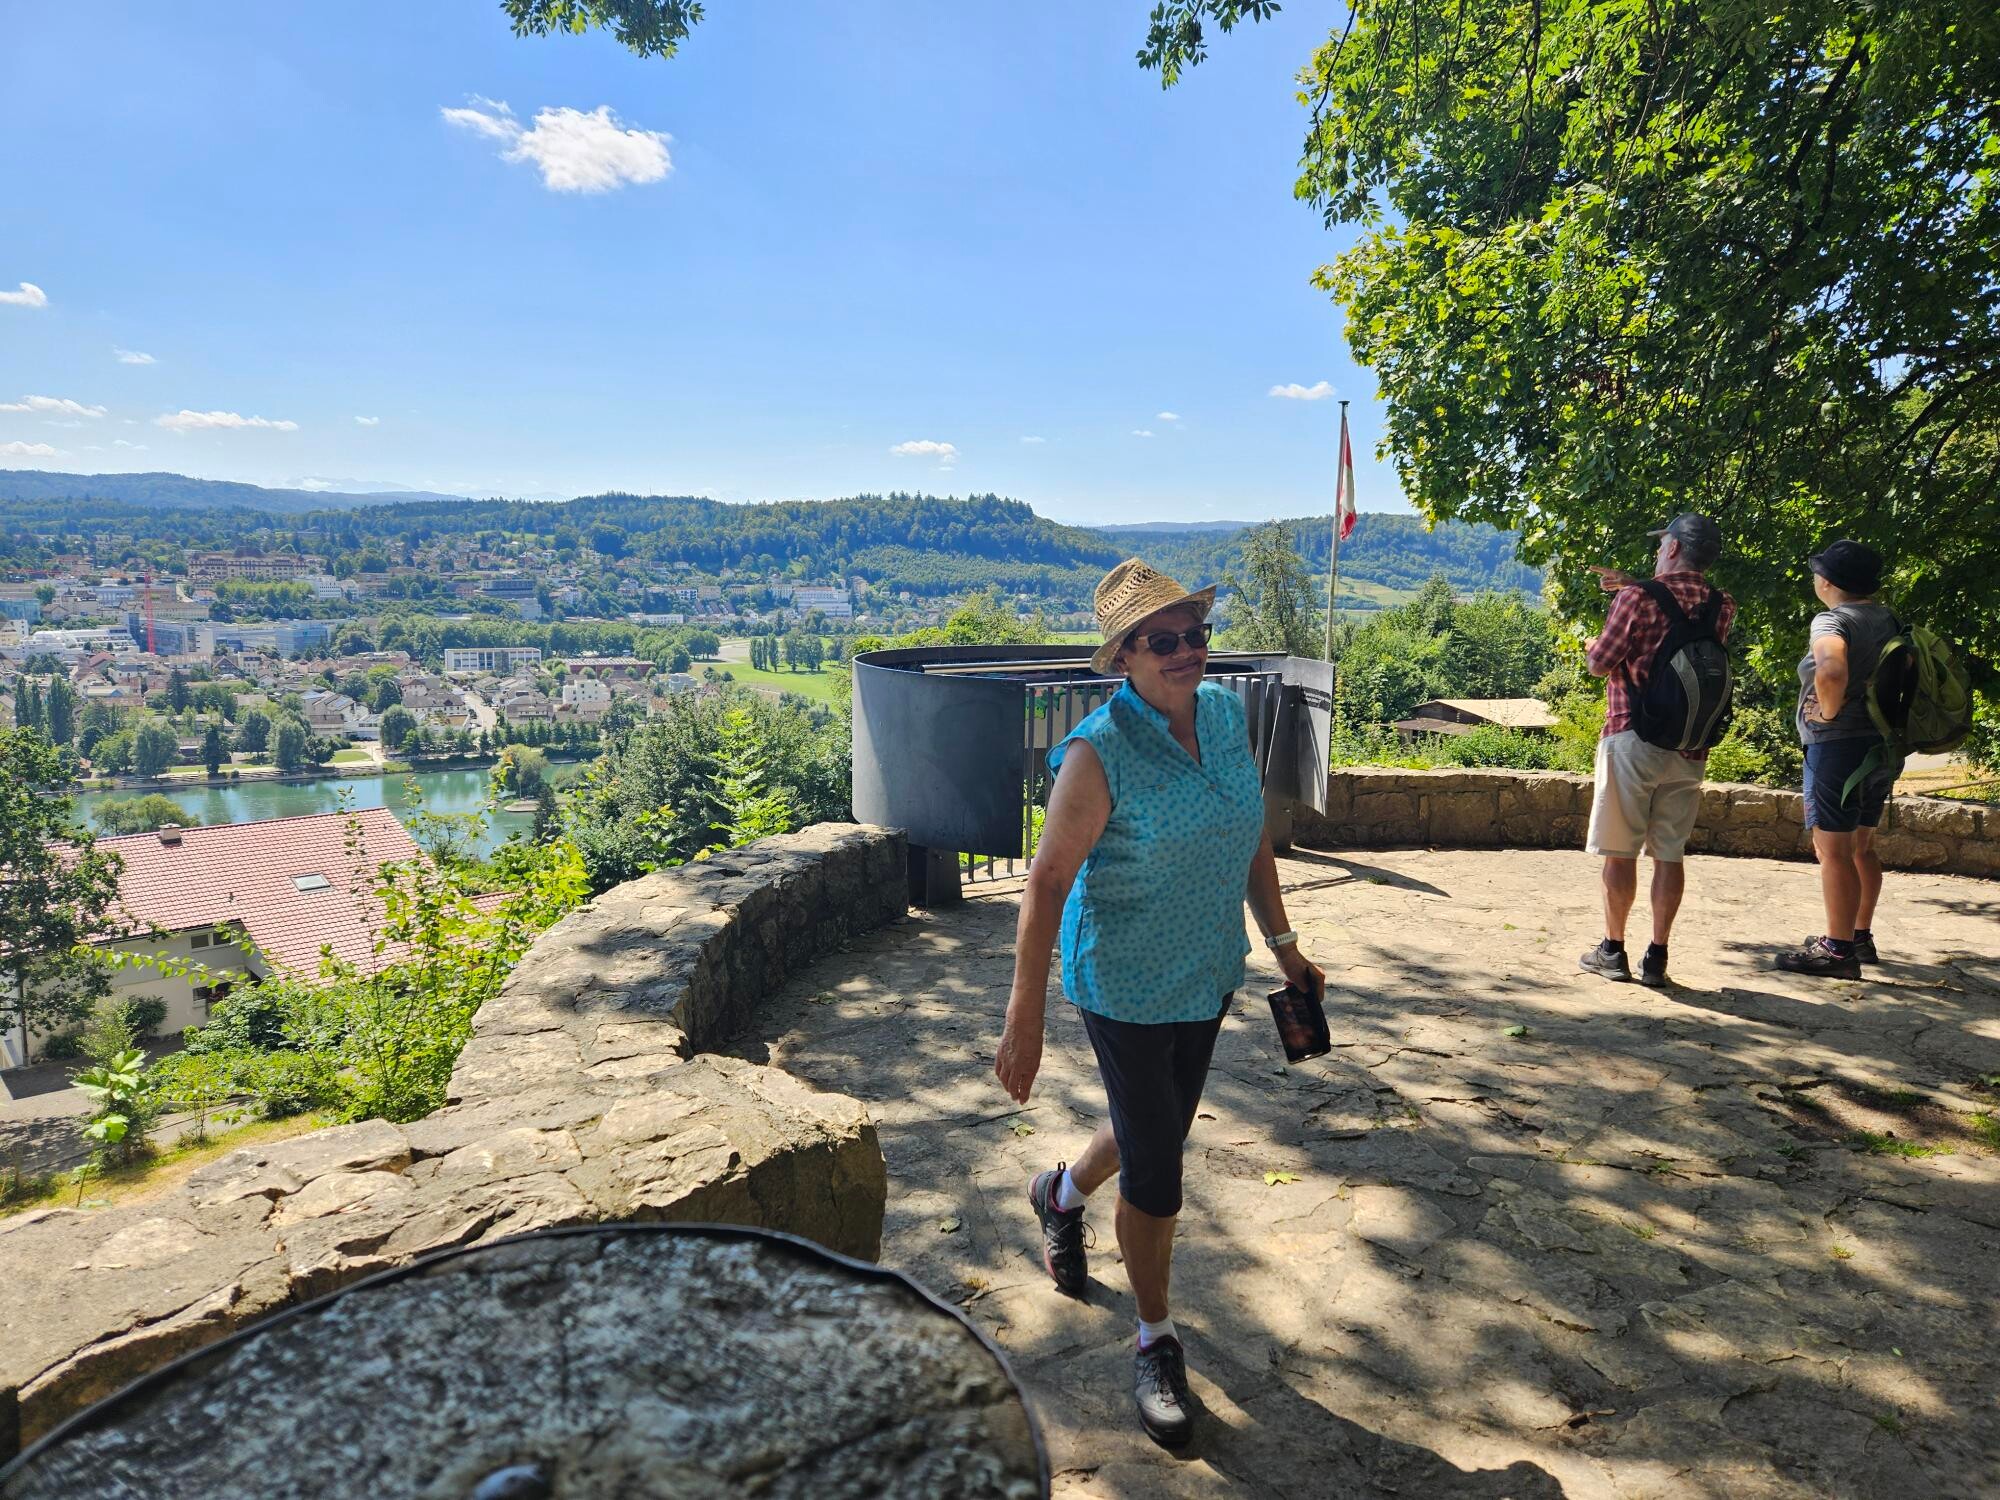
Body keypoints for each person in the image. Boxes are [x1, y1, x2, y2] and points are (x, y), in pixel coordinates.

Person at [994, 557, 1323, 1450]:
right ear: (1126, 656)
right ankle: (1155, 1336)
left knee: (1158, 1131)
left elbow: (1251, 833)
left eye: (1196, 634)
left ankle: (1057, 1193)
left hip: (1207, 970)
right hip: (1127, 983)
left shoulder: (1222, 715)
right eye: (1164, 640)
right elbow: (1047, 882)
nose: (1188, 652)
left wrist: (1284, 944)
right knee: (1157, 1173)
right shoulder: (1098, 752)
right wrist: (1025, 1014)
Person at [1579, 514, 1735, 987]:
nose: (1656, 550)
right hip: (1689, 744)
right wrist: (1639, 585)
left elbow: (1598, 663)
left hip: (1632, 736)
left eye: (1661, 542)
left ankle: (1612, 950)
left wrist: (1592, 640)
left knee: (1620, 852)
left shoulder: (1635, 599)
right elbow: (1680, 626)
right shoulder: (1721, 604)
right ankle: (1658, 956)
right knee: (1669, 853)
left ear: (1670, 548)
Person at [1777, 540, 1896, 980]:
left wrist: (1826, 712)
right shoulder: (1886, 617)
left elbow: (1830, 670)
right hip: (1880, 745)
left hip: (1838, 746)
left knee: (1832, 851)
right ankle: (1858, 936)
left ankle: (1837, 950)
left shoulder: (1833, 619)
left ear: (1827, 581)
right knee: (1861, 846)